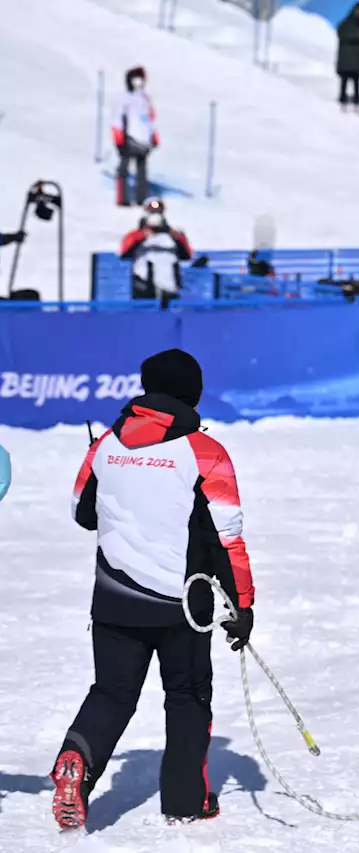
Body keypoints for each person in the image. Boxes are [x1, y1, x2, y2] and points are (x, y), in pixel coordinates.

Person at [51, 349, 255, 830]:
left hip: (114, 598)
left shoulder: (105, 444)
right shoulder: (205, 452)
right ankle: (187, 803)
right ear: (193, 393)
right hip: (181, 606)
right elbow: (228, 539)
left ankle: (76, 759)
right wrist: (242, 605)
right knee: (186, 697)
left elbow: (83, 513)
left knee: (112, 692)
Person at [121, 198, 192, 307]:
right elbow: (125, 253)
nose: (155, 215)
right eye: (151, 211)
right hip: (144, 284)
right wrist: (142, 235)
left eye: (158, 211)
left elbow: (187, 255)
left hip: (169, 284)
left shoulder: (173, 235)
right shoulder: (136, 235)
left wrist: (176, 237)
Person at [113, 67, 159, 207]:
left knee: (141, 170)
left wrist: (154, 135)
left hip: (143, 140)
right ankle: (123, 198)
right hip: (130, 138)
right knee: (124, 169)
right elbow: (117, 118)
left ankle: (141, 198)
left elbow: (150, 119)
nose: (139, 83)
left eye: (141, 80)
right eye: (136, 79)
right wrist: (118, 135)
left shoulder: (145, 99)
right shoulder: (124, 98)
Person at [336, 3, 359, 108]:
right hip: (345, 59)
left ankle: (356, 102)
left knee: (356, 82)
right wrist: (358, 37)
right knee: (344, 81)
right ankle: (342, 100)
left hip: (356, 60)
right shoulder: (346, 24)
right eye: (358, 10)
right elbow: (341, 34)